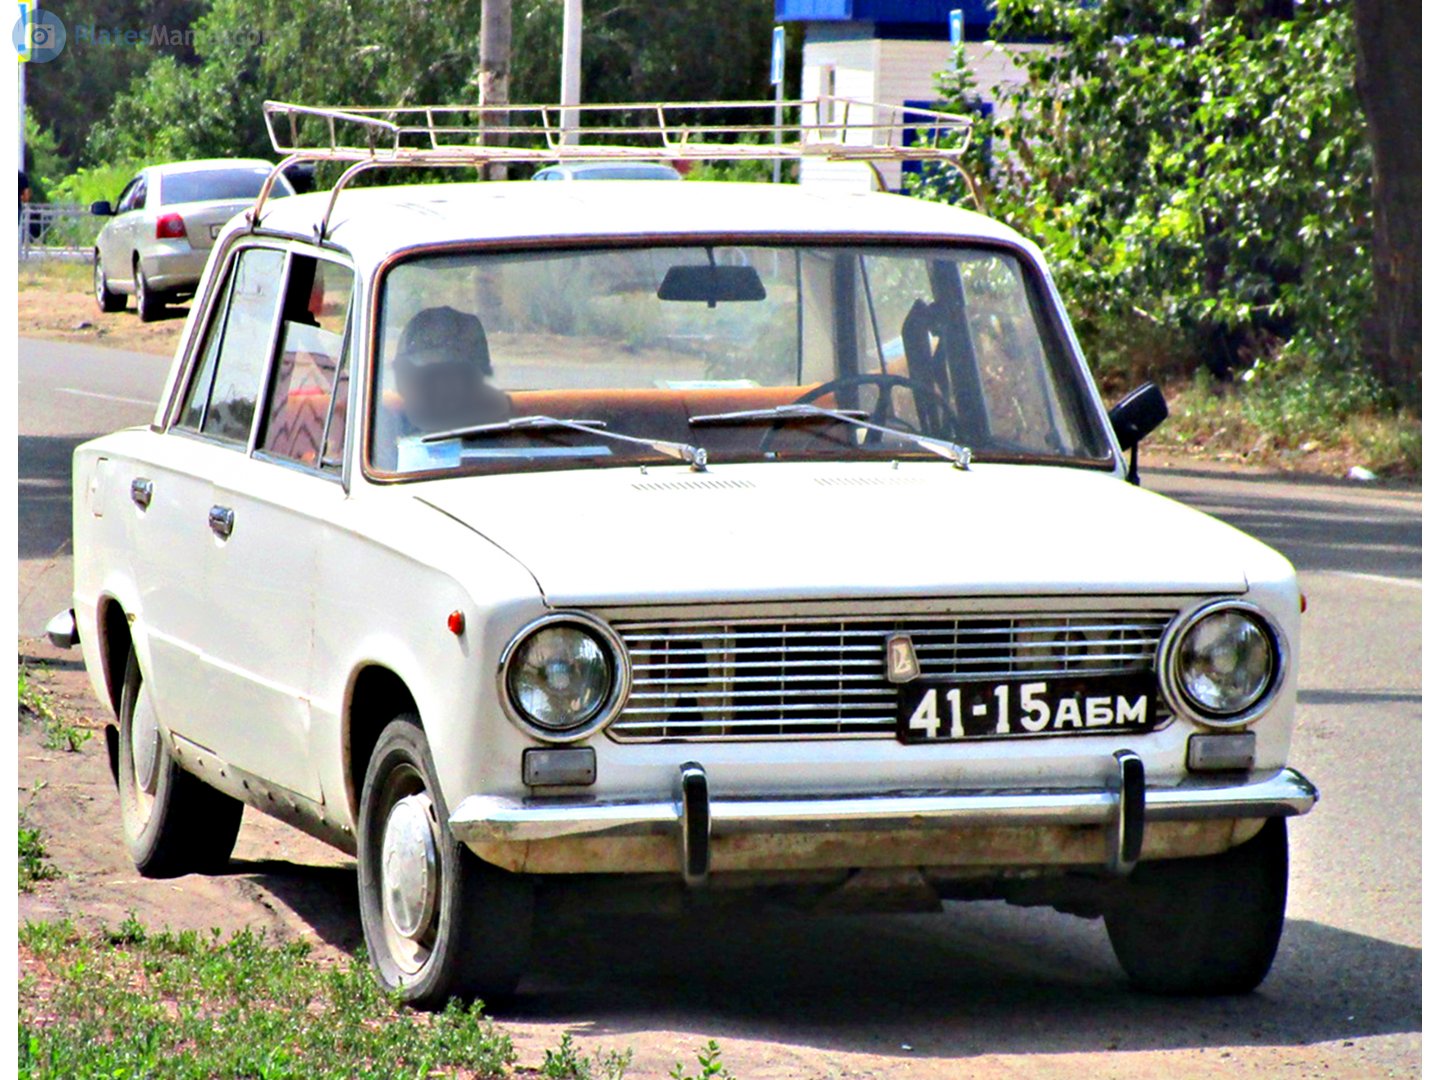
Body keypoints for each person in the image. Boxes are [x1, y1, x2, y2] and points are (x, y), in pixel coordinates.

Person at [384, 305, 511, 470]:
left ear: (474, 380)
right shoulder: (377, 436)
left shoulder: (507, 449)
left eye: (439, 374)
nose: (421, 387)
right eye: (406, 371)